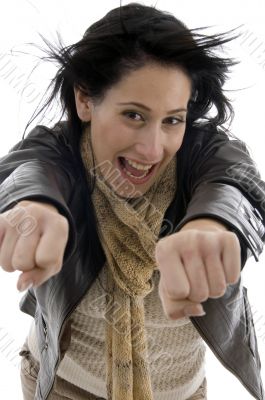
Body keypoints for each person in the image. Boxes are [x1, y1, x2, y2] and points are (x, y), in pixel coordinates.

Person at [0, 2, 265, 400]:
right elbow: (28, 170)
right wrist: (32, 205)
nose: (153, 149)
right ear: (85, 100)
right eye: (134, 116)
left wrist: (212, 224)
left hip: (183, 393)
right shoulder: (58, 152)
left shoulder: (202, 153)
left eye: (172, 119)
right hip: (61, 387)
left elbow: (235, 182)